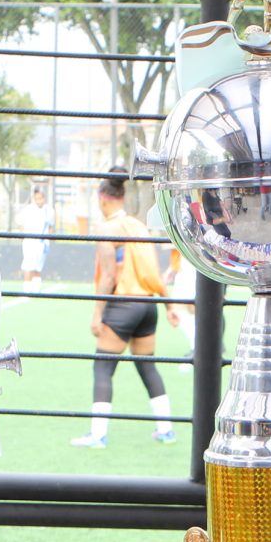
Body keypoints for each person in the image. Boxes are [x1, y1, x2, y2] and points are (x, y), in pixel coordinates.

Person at [73, 171, 178, 448]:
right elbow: (153, 268)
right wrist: (168, 305)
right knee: (148, 367)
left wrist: (97, 314)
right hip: (148, 305)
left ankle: (97, 435)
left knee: (103, 368)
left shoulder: (108, 228)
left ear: (102, 198)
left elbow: (108, 276)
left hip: (123, 304)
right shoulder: (137, 225)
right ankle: (166, 429)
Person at [14, 187, 52, 288]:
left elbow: (51, 226)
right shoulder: (28, 209)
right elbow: (19, 221)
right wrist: (23, 235)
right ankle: (26, 290)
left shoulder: (49, 210)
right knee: (28, 265)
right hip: (30, 242)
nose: (39, 201)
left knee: (38, 267)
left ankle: (36, 290)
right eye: (37, 198)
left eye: (41, 198)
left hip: (43, 243)